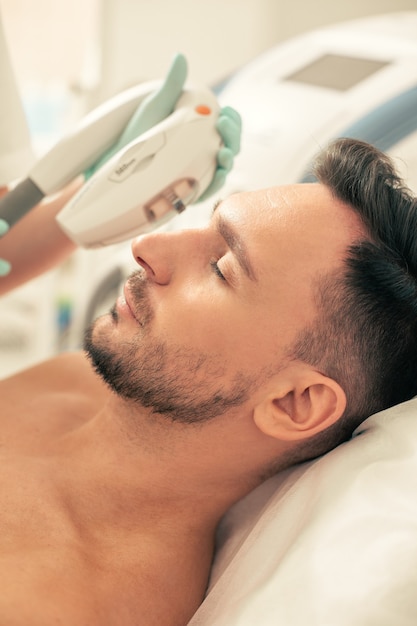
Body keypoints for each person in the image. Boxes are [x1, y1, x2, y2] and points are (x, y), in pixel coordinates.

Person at [1, 135, 417, 625]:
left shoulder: (67, 604)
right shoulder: (80, 384)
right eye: (205, 226)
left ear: (295, 402)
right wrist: (79, 199)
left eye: (221, 268)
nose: (144, 246)